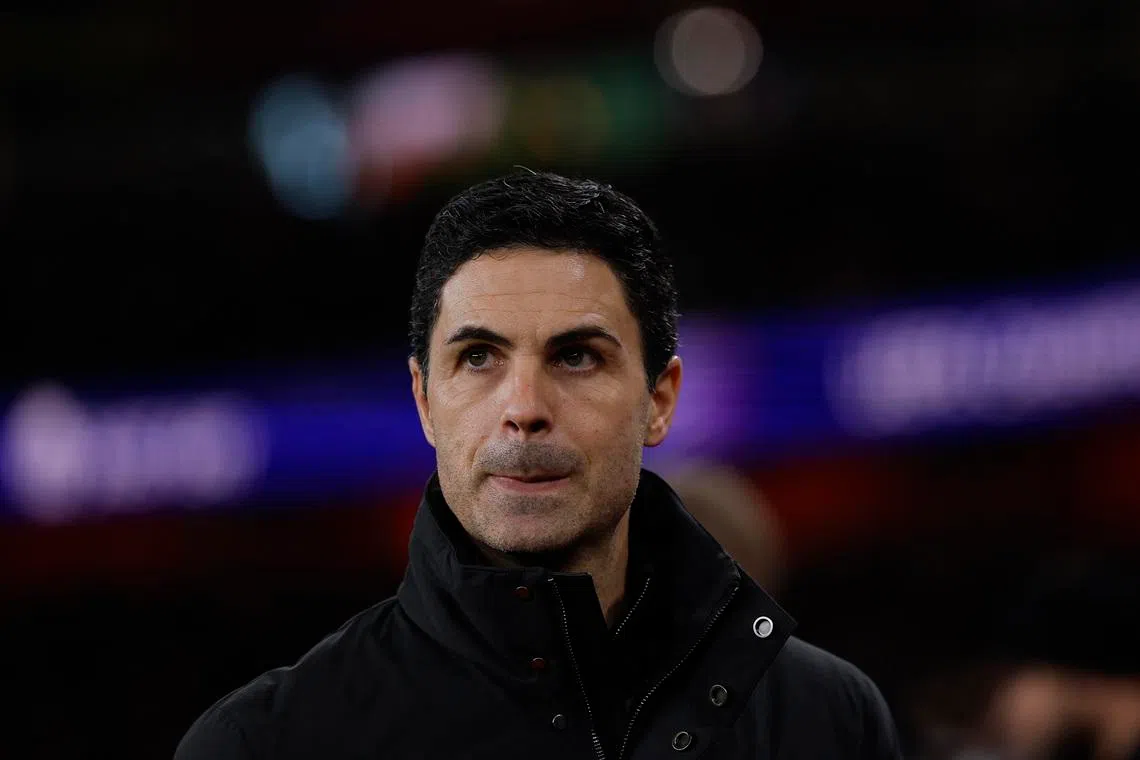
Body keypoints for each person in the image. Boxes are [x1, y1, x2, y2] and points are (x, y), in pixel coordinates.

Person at [174, 171, 902, 759]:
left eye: (576, 356)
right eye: (479, 357)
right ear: (426, 401)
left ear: (659, 399)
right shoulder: (263, 744)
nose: (524, 407)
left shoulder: (827, 721)